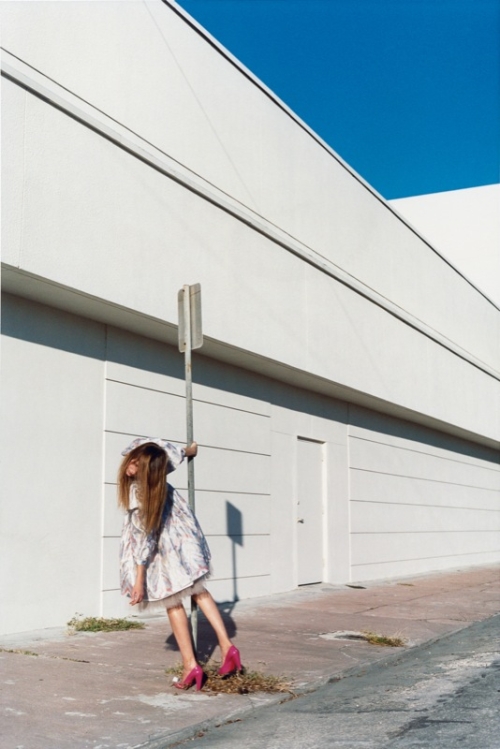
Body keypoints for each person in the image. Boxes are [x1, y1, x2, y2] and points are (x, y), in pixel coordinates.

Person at [117, 437, 242, 690]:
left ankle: (190, 665)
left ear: (148, 471)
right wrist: (187, 450)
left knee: (172, 601)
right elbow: (164, 451)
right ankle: (228, 647)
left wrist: (139, 579)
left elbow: (144, 540)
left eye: (137, 465)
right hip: (186, 542)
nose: (130, 465)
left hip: (165, 551)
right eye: (133, 460)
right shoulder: (160, 472)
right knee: (198, 591)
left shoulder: (140, 495)